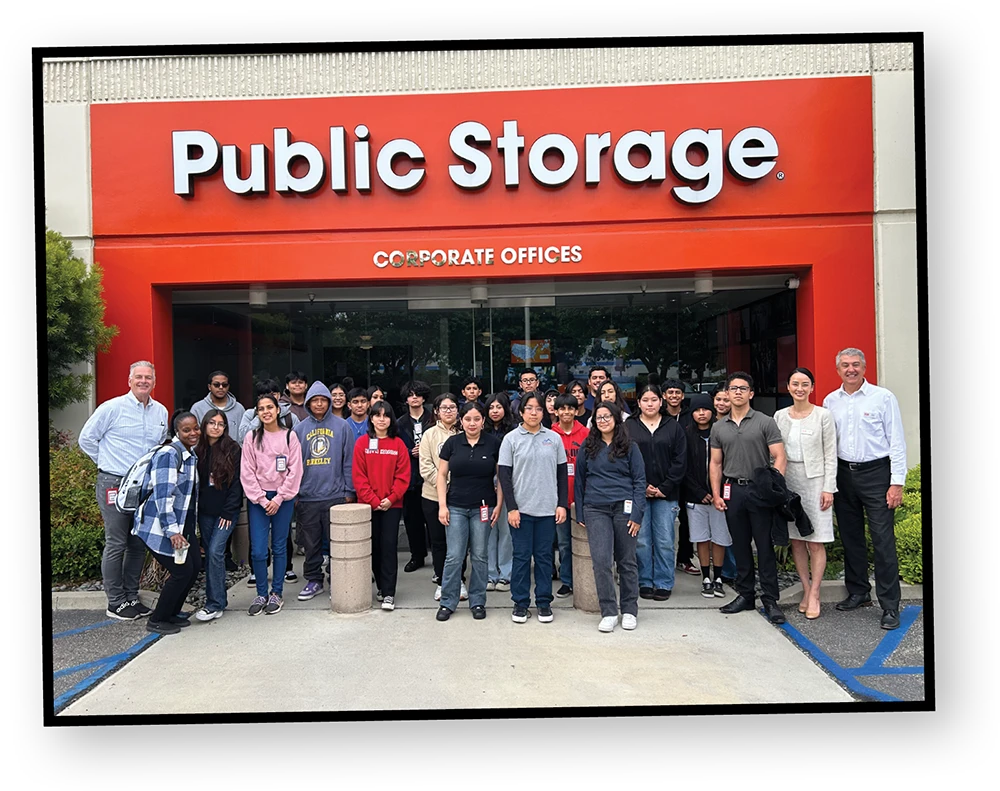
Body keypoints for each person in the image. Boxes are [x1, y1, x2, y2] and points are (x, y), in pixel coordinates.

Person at [823, 348, 907, 630]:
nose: (851, 369)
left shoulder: (883, 398)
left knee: (883, 541)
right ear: (838, 370)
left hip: (876, 475)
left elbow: (897, 442)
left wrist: (896, 482)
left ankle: (890, 605)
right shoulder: (830, 401)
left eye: (856, 364)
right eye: (845, 365)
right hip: (843, 474)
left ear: (864, 367)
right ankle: (858, 592)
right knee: (851, 538)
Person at [79, 360, 168, 621]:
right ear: (129, 380)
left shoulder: (160, 412)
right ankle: (115, 602)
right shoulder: (112, 408)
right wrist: (106, 463)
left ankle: (131, 597)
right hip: (114, 483)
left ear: (154, 382)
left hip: (143, 487)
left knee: (137, 544)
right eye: (139, 377)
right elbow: (86, 439)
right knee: (116, 542)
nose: (143, 381)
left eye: (148, 377)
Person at [710, 372, 788, 624]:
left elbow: (779, 456)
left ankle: (770, 599)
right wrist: (716, 493)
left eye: (743, 388)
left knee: (764, 546)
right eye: (733, 388)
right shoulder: (719, 427)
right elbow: (715, 463)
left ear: (751, 393)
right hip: (733, 490)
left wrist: (774, 486)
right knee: (740, 545)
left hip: (760, 490)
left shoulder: (765, 422)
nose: (738, 392)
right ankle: (745, 595)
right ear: (727, 393)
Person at [498, 391, 569, 624]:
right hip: (521, 510)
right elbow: (504, 476)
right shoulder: (511, 439)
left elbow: (561, 474)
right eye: (529, 408)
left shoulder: (554, 438)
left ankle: (544, 602)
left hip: (547, 510)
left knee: (544, 558)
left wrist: (561, 504)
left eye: (538, 408)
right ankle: (520, 603)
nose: (534, 413)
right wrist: (511, 508)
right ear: (521, 412)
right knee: (521, 557)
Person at [576, 402, 646, 632]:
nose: (603, 421)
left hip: (624, 509)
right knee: (601, 561)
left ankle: (629, 610)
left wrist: (637, 513)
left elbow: (639, 481)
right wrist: (580, 512)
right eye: (599, 417)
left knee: (627, 561)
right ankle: (608, 611)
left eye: (607, 416)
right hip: (596, 509)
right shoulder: (588, 445)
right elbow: (580, 480)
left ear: (616, 419)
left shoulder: (630, 447)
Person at [774, 368, 838, 620]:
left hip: (816, 482)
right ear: (788, 387)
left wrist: (828, 487)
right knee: (797, 540)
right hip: (790, 482)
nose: (799, 389)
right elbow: (774, 452)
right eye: (795, 384)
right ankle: (806, 588)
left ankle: (816, 593)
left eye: (805, 384)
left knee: (815, 541)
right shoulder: (779, 416)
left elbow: (830, 453)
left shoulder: (823, 415)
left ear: (812, 387)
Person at [131, 410, 201, 635]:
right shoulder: (169, 454)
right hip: (159, 526)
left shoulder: (190, 454)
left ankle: (172, 613)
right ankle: (157, 619)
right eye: (186, 430)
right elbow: (163, 496)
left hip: (181, 524)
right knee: (182, 572)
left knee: (193, 567)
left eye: (196, 428)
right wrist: (172, 531)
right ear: (176, 432)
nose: (193, 433)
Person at [435, 401, 504, 621]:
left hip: (483, 507)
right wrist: (442, 505)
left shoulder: (494, 443)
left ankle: (477, 601)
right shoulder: (452, 443)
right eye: (467, 419)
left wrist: (499, 505)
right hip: (455, 506)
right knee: (454, 556)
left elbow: (501, 477)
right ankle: (448, 601)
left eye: (476, 419)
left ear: (483, 421)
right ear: (461, 421)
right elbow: (441, 475)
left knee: (480, 556)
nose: (472, 423)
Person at [292, 381, 356, 602]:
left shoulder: (342, 426)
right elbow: (294, 465)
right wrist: (296, 493)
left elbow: (348, 461)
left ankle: (336, 580)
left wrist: (349, 490)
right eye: (315, 400)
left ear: (329, 402)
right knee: (311, 543)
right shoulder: (299, 430)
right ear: (308, 403)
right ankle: (314, 580)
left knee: (337, 543)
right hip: (308, 496)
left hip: (336, 496)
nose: (319, 404)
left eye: (323, 400)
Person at [240, 394, 303, 616]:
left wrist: (279, 498)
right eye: (261, 409)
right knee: (258, 549)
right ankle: (261, 593)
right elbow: (247, 471)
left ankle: (276, 592)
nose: (266, 412)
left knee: (279, 547)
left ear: (278, 410)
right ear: (257, 413)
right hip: (258, 499)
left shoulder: (289, 436)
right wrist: (261, 498)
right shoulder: (251, 437)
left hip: (282, 499)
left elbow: (295, 470)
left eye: (270, 407)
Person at [626, 384, 687, 601]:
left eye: (654, 400)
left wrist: (664, 487)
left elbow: (680, 460)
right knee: (641, 540)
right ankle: (644, 581)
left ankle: (663, 581)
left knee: (664, 540)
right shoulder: (629, 426)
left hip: (666, 494)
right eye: (645, 400)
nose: (650, 404)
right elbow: (623, 459)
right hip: (638, 492)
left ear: (661, 402)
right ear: (639, 403)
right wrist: (642, 486)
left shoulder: (673, 427)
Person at [353, 400, 410, 611]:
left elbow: (403, 476)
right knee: (374, 548)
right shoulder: (362, 443)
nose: (382, 419)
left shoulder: (398, 444)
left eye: (386, 415)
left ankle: (388, 593)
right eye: (378, 415)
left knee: (388, 547)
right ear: (371, 418)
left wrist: (391, 498)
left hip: (392, 506)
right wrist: (374, 500)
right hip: (368, 505)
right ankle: (380, 585)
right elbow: (359, 476)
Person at [193, 409, 243, 621]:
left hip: (226, 513)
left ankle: (214, 604)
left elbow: (237, 483)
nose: (216, 427)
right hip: (205, 513)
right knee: (211, 555)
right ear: (204, 424)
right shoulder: (197, 450)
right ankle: (218, 600)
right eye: (212, 423)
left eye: (221, 424)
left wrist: (229, 511)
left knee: (215, 552)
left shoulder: (233, 449)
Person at [681, 394, 732, 600]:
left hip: (720, 497)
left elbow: (728, 464)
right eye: (697, 410)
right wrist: (699, 492)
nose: (701, 414)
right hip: (696, 497)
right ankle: (706, 578)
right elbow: (682, 467)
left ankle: (718, 576)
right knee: (701, 538)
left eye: (705, 409)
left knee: (720, 537)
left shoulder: (721, 432)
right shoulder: (685, 435)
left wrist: (717, 492)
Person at [419, 393, 466, 601]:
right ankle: (442, 581)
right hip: (433, 497)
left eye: (452, 407)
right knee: (439, 542)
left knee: (459, 542)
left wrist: (456, 485)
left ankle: (459, 580)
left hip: (460, 497)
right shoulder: (429, 435)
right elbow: (425, 466)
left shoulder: (465, 433)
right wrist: (444, 484)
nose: (448, 411)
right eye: (444, 408)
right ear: (437, 411)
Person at [552, 393, 589, 598]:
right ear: (556, 411)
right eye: (562, 408)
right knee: (564, 543)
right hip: (559, 500)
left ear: (576, 411)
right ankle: (567, 580)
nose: (566, 412)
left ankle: (585, 579)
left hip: (582, 498)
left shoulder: (586, 434)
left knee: (584, 542)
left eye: (570, 408)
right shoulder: (550, 435)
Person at [398, 380, 434, 573]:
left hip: (432, 477)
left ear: (423, 398)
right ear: (406, 399)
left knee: (434, 519)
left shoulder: (433, 419)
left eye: (418, 395)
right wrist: (408, 452)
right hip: (410, 477)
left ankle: (438, 557)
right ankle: (417, 556)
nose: (414, 398)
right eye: (410, 395)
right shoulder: (399, 423)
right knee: (412, 520)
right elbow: (395, 448)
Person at [663, 379, 698, 576]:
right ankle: (660, 559)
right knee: (663, 522)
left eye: (677, 392)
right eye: (670, 392)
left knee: (687, 520)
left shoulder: (690, 417)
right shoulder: (659, 415)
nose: (674, 396)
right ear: (664, 396)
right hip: (665, 478)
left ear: (683, 396)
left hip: (687, 477)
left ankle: (684, 558)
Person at [484, 392, 515, 591]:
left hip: (507, 485)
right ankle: (490, 574)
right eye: (491, 407)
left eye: (499, 407)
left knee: (506, 531)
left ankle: (506, 574)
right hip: (484, 487)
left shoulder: (514, 431)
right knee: (488, 531)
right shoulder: (481, 431)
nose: (495, 411)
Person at [712, 384, 737, 583]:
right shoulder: (708, 423)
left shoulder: (737, 423)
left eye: (726, 400)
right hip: (713, 483)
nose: (722, 403)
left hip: (732, 482)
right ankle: (724, 570)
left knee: (733, 528)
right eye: (718, 399)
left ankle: (733, 570)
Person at [237, 377, 300, 443]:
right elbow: (242, 438)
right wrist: (260, 415)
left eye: (273, 395)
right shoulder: (249, 414)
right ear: (258, 397)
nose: (269, 398)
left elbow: (298, 440)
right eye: (264, 395)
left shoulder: (290, 417)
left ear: (279, 395)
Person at [189, 370, 246, 440]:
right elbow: (193, 435)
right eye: (216, 385)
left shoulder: (239, 409)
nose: (221, 387)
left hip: (233, 447)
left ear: (228, 387)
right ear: (209, 387)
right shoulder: (197, 408)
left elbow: (244, 435)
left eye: (224, 385)